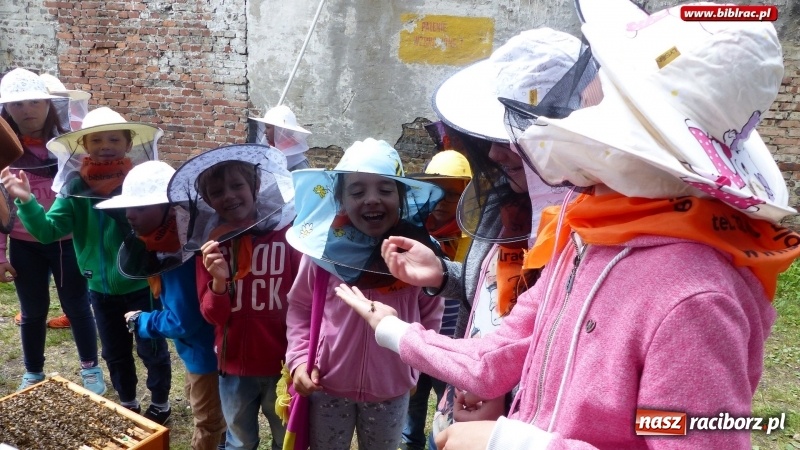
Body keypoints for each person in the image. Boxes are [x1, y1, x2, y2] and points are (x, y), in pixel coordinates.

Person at [336, 7, 800, 449]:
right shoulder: (588, 236)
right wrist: (396, 330)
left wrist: (511, 442)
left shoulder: (696, 299)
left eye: (595, 102)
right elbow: (501, 349)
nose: (572, 118)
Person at [1, 106, 173, 423]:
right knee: (114, 352)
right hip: (99, 289)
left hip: (140, 285)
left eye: (113, 139)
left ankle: (161, 403)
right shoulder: (75, 189)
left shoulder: (139, 183)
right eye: (96, 140)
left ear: (128, 142)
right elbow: (47, 231)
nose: (105, 146)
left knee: (151, 350)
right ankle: (129, 402)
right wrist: (26, 200)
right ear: (85, 147)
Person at [284, 138, 445, 450]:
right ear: (341, 197)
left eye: (385, 190)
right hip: (327, 385)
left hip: (390, 390)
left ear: (401, 196)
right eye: (357, 191)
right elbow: (300, 308)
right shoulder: (322, 252)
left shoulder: (416, 253)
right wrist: (300, 359)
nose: (372, 199)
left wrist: (414, 364)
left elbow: (431, 315)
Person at [168, 144, 300, 450]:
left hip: (283, 364)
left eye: (237, 185)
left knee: (287, 440)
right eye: (217, 191)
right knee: (239, 441)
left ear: (255, 186)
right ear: (208, 201)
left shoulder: (285, 234)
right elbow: (212, 315)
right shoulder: (210, 246)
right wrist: (217, 281)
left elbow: (303, 302)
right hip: (234, 368)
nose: (228, 195)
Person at [95, 160, 226, 449]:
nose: (130, 215)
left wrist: (142, 321)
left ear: (170, 208)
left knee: (208, 421)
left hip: (207, 354)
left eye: (140, 208)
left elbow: (184, 320)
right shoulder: (167, 241)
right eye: (129, 207)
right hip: (198, 353)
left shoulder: (181, 257)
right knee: (208, 406)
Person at [0, 67, 104, 393]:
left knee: (76, 305)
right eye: (17, 105)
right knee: (32, 311)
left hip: (67, 241)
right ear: (6, 110)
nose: (27, 110)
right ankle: (33, 373)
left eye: (34, 102)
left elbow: (89, 189)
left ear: (49, 104)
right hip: (22, 242)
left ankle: (91, 369)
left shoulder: (72, 143)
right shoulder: (4, 149)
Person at [400, 148, 472, 450]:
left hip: (452, 349)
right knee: (411, 415)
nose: (442, 201)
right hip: (418, 341)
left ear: (468, 196)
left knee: (450, 417)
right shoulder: (413, 233)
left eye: (452, 194)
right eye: (437, 191)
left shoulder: (476, 239)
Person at [249, 105, 312, 170]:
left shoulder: (298, 164)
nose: (264, 132)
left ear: (282, 130)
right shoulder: (270, 152)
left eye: (268, 127)